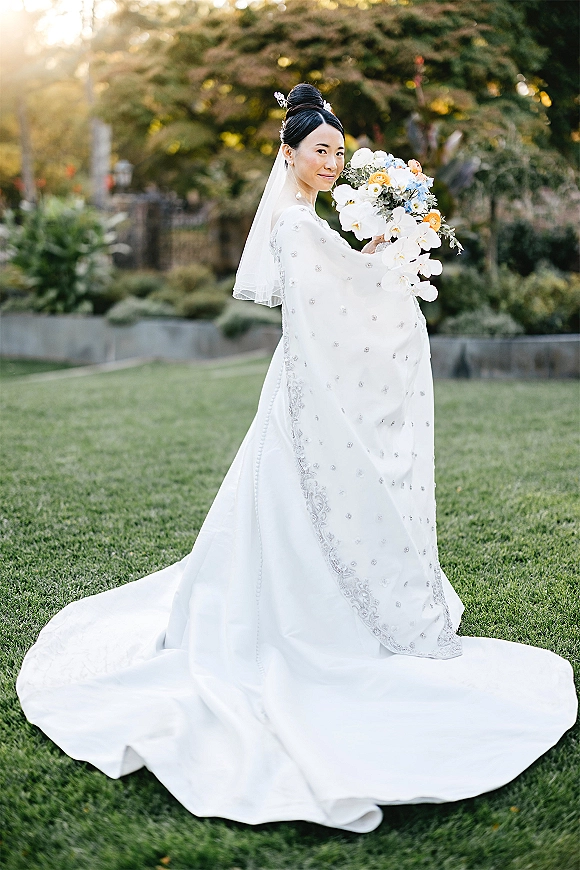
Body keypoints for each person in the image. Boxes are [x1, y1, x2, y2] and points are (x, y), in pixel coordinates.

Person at [17, 83, 577, 834]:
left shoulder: (308, 220)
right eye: (320, 151)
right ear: (289, 154)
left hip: (300, 383)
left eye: (338, 153)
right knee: (289, 505)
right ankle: (303, 633)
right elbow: (330, 305)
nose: (331, 162)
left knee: (282, 505)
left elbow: (336, 288)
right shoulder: (292, 223)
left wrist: (377, 254)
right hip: (304, 389)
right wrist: (383, 267)